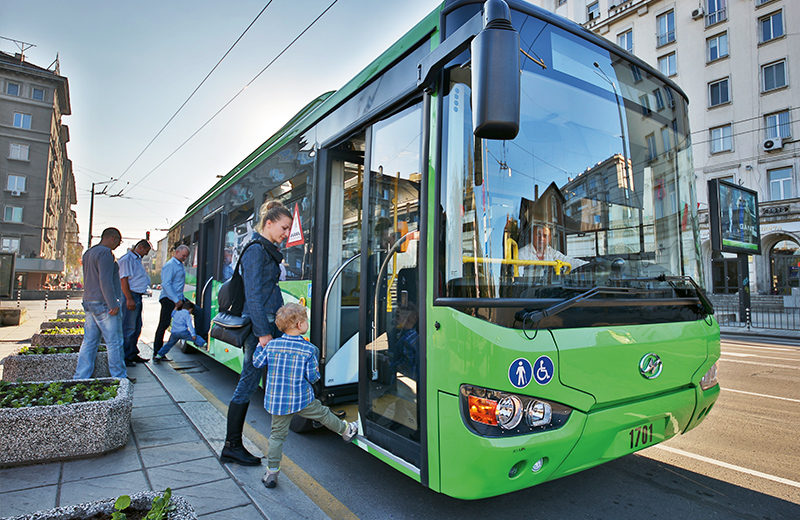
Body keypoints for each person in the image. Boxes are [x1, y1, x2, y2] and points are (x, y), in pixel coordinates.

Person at [253, 303, 359, 488]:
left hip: (277, 401)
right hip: (301, 399)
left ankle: (271, 472)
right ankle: (346, 431)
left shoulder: (272, 346)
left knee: (277, 436)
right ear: (300, 325)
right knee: (324, 414)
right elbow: (313, 377)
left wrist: (259, 347)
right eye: (306, 320)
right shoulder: (309, 350)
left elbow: (257, 363)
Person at [220, 200, 292, 466]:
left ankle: (251, 444)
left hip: (270, 325)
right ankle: (232, 445)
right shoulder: (255, 251)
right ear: (269, 223)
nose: (286, 233)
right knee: (248, 382)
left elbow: (268, 291)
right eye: (284, 227)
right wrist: (264, 335)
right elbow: (253, 294)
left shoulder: (266, 251)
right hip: (259, 329)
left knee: (262, 382)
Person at [73, 228, 132, 383]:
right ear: (112, 238)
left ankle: (81, 377)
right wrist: (113, 303)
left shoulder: (88, 253)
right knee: (114, 343)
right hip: (104, 304)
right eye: (119, 241)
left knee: (89, 342)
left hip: (89, 302)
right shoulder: (106, 254)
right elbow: (105, 280)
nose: (119, 244)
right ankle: (119, 378)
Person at [119, 239, 152, 366]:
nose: (146, 255)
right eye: (146, 251)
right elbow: (124, 281)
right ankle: (126, 356)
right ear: (141, 248)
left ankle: (132, 353)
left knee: (137, 326)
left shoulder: (136, 259)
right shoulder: (127, 259)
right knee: (129, 327)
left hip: (137, 295)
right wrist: (129, 298)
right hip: (131, 295)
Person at [154, 245, 190, 354]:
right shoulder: (170, 265)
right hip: (169, 299)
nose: (185, 258)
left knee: (196, 311)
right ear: (177, 252)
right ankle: (157, 352)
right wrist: (176, 300)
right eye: (183, 255)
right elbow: (166, 284)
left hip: (178, 299)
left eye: (186, 256)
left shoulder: (179, 265)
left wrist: (181, 299)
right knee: (164, 324)